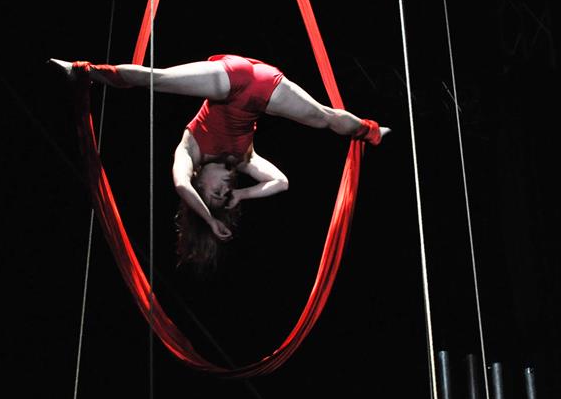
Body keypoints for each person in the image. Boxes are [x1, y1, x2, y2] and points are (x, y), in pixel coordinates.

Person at [50, 54, 388, 272]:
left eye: (215, 194)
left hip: (228, 81)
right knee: (325, 118)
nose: (225, 190)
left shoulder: (189, 153)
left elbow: (180, 185)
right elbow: (281, 182)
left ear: (200, 181)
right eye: (225, 195)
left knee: (158, 79)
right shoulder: (243, 160)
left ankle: (83, 71)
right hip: (266, 86)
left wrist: (209, 219)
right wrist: (241, 196)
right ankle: (371, 131)